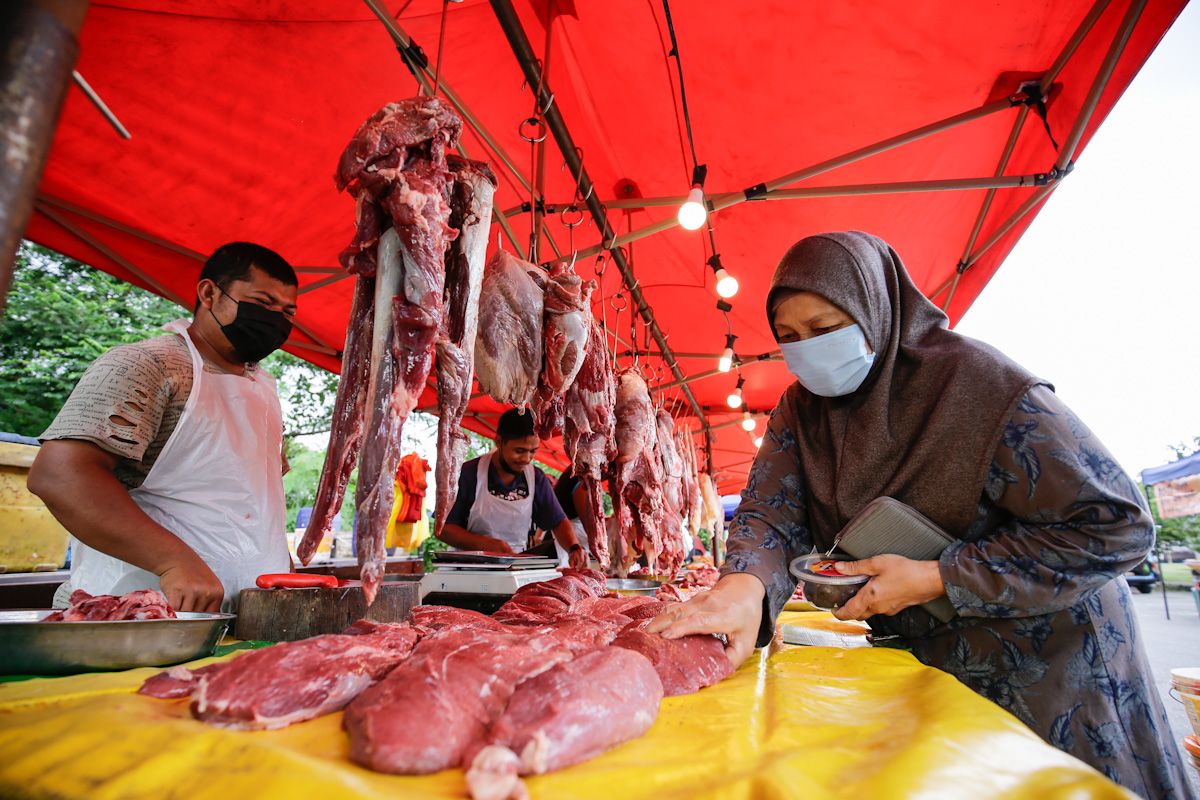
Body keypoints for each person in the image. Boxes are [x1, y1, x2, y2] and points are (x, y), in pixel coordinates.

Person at [648, 232, 1189, 798]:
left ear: (876, 308)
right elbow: (770, 514)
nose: (808, 349)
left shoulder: (983, 387)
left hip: (1053, 663)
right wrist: (744, 587)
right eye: (789, 337)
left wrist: (938, 577)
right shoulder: (801, 411)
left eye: (825, 328)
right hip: (936, 668)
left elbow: (1115, 525)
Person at [29, 242, 298, 613]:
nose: (275, 320)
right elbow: (61, 476)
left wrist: (280, 561)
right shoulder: (148, 364)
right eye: (263, 303)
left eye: (286, 312)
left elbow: (255, 500)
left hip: (245, 619)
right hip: (142, 616)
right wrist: (173, 561)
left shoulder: (266, 390)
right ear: (209, 293)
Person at [439, 408, 587, 570]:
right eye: (519, 451)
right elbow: (444, 529)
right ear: (499, 442)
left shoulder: (536, 478)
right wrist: (487, 546)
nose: (526, 459)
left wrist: (574, 548)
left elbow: (558, 522)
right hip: (468, 571)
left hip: (515, 569)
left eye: (532, 452)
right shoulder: (469, 473)